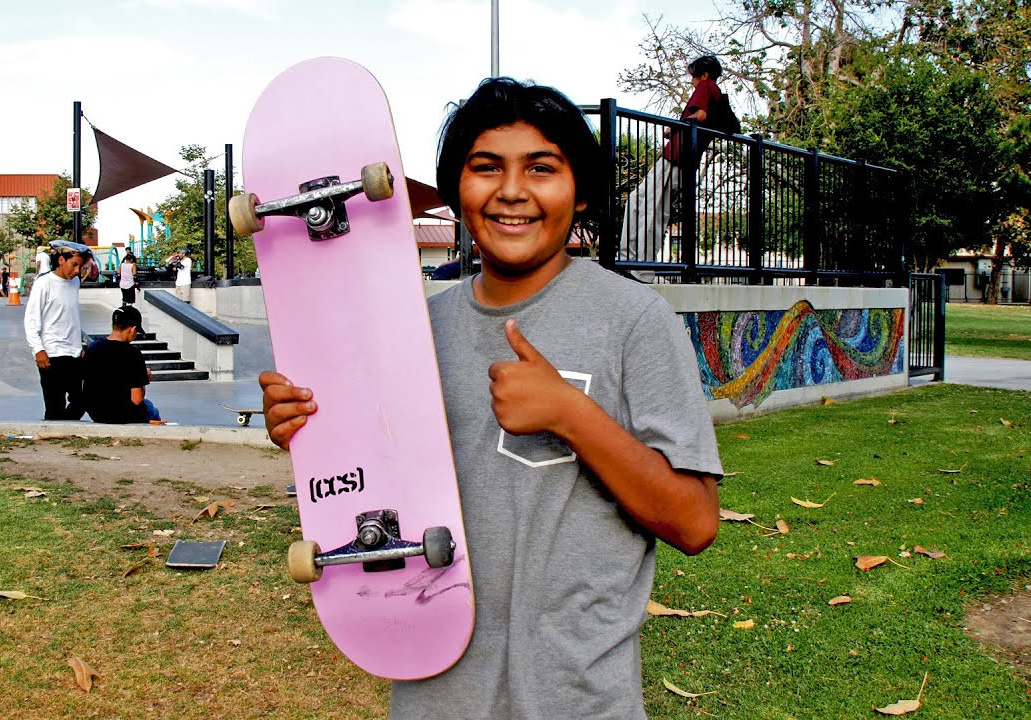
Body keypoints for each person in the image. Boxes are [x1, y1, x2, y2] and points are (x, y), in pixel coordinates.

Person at [260, 77, 722, 719]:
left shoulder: (635, 322)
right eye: (486, 168)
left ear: (581, 193)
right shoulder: (417, 330)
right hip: (434, 693)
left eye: (541, 168)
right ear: (457, 194)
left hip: (580, 701)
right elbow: (371, 488)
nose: (511, 191)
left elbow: (695, 523)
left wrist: (571, 414)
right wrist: (309, 425)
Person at [620, 55, 728, 282]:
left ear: (704, 75)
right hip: (678, 159)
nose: (692, 82)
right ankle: (627, 261)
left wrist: (675, 129)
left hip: (677, 158)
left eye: (693, 76)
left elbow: (700, 115)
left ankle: (641, 269)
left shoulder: (707, 87)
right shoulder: (716, 95)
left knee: (652, 210)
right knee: (637, 201)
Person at [24, 242, 91, 420]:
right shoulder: (44, 283)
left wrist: (79, 346)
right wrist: (38, 349)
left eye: (81, 267)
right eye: (74, 264)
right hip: (52, 353)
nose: (77, 271)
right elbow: (31, 319)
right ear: (61, 260)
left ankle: (64, 428)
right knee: (55, 404)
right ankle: (55, 434)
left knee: (82, 399)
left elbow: (71, 316)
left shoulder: (74, 282)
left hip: (74, 352)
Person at [82, 305, 162, 424]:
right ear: (132, 329)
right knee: (151, 408)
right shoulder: (133, 353)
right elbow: (136, 399)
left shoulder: (92, 348)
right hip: (123, 415)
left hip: (97, 413)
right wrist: (142, 377)